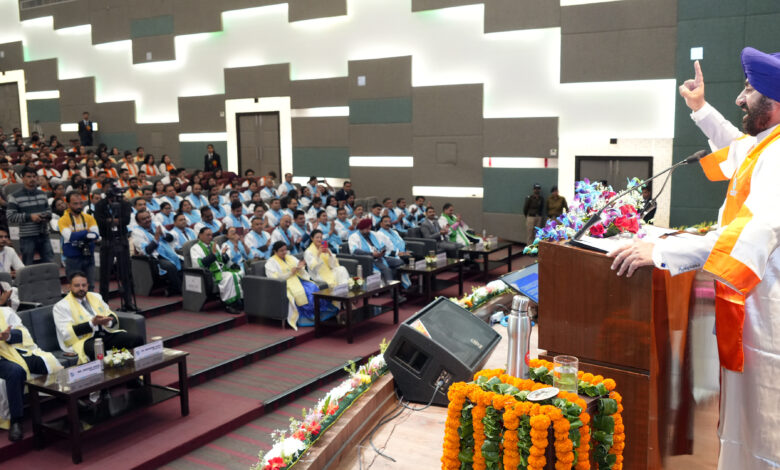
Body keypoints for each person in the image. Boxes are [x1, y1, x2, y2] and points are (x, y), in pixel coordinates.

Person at [608, 49, 780, 470]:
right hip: (755, 305)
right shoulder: (767, 145)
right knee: (746, 422)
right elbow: (736, 149)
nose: (740, 99)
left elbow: (751, 232)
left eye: (749, 90)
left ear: (775, 103)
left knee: (766, 426)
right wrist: (700, 108)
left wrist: (663, 250)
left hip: (770, 314)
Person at [0, 304, 63, 441]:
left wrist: (8, 336)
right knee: (16, 372)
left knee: (46, 361)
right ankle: (16, 421)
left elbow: (22, 332)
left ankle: (67, 397)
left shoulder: (5, 312)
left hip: (16, 351)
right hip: (1, 359)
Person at [53, 271, 144, 365]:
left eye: (84, 285)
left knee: (136, 339)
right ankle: (111, 377)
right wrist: (92, 323)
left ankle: (135, 374)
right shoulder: (61, 306)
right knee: (97, 351)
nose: (81, 288)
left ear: (88, 285)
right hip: (85, 340)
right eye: (77, 285)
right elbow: (66, 333)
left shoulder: (96, 296)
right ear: (69, 287)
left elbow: (111, 314)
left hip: (105, 333)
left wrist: (107, 322)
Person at [265, 241, 336, 329]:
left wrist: (301, 267)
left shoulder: (289, 257)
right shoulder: (271, 262)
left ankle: (319, 313)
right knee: (303, 292)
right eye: (281, 251)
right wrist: (290, 273)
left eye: (285, 250)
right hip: (286, 283)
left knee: (313, 287)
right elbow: (274, 278)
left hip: (298, 279)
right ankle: (309, 317)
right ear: (275, 252)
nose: (284, 252)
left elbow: (299, 265)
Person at [94, 183, 135, 310]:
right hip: (107, 240)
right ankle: (104, 303)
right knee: (105, 274)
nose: (117, 199)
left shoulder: (125, 204)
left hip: (121, 238)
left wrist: (110, 221)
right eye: (114, 197)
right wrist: (114, 220)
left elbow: (126, 220)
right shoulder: (100, 205)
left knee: (125, 273)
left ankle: (128, 301)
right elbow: (99, 221)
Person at [6, 167, 54, 265]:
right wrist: (30, 217)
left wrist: (46, 216)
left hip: (43, 233)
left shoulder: (42, 194)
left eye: (34, 176)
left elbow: (49, 210)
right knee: (27, 265)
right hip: (27, 236)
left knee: (50, 263)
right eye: (28, 177)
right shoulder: (15, 196)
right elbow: (10, 216)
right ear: (23, 178)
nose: (32, 179)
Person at [189, 227, 243, 313]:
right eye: (208, 235)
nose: (210, 237)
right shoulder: (195, 248)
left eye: (211, 235)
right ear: (200, 235)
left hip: (220, 270)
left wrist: (224, 256)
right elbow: (199, 264)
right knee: (229, 277)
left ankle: (239, 300)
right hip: (208, 273)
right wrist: (213, 255)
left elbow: (221, 260)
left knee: (238, 273)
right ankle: (229, 304)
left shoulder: (214, 245)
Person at [131, 210, 182, 296]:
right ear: (138, 222)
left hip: (168, 253)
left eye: (148, 217)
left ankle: (181, 288)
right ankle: (177, 289)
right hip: (154, 258)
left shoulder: (156, 225)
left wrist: (163, 234)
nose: (147, 220)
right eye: (144, 219)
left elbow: (171, 238)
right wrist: (156, 238)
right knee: (170, 266)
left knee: (183, 263)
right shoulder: (136, 232)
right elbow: (146, 251)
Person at [59, 192, 100, 290]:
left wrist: (78, 234)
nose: (79, 206)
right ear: (68, 204)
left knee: (90, 286)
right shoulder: (63, 220)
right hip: (73, 258)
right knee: (76, 288)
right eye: (75, 204)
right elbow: (69, 237)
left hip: (88, 255)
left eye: (81, 203)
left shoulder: (89, 218)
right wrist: (86, 232)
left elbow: (96, 235)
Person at [348, 218, 402, 283]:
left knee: (400, 262)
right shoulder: (354, 237)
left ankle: (399, 284)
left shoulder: (373, 234)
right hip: (369, 259)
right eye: (367, 229)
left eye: (369, 228)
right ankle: (391, 289)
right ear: (361, 228)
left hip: (380, 256)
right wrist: (372, 254)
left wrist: (382, 251)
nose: (369, 231)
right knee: (387, 270)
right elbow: (355, 251)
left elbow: (383, 244)